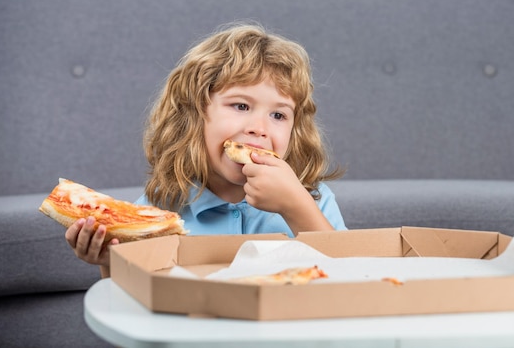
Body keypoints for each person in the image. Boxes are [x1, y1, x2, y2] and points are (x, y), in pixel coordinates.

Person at [65, 22, 347, 276]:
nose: (259, 128)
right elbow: (134, 299)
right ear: (196, 114)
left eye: (278, 115)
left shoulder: (313, 199)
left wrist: (296, 206)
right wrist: (109, 261)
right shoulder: (160, 206)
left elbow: (352, 278)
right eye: (241, 106)